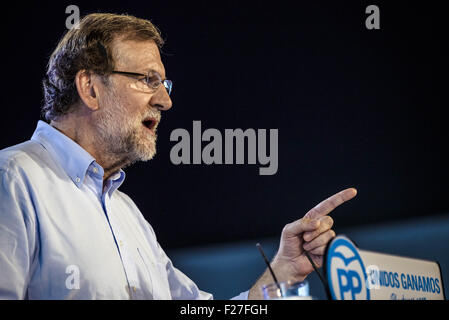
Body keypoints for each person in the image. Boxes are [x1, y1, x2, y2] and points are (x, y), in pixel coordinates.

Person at [0, 13, 356, 300]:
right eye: (147, 79)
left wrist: (280, 275)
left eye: (164, 84)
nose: (164, 100)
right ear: (90, 88)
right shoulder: (13, 179)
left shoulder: (128, 216)